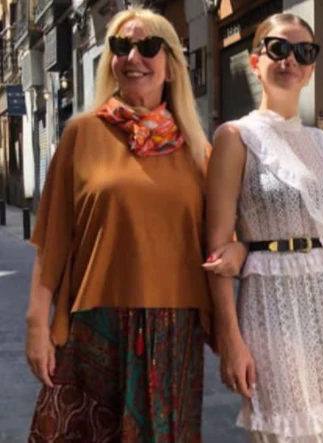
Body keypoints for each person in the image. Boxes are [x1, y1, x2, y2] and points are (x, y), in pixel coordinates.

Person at [25, 8, 246, 443]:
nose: (133, 57)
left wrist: (238, 251)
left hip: (174, 332)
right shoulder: (82, 135)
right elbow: (53, 239)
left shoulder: (196, 150)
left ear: (171, 65)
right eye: (121, 46)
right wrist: (37, 322)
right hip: (96, 326)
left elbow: (220, 241)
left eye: (148, 47)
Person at [206, 13, 323, 443]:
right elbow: (216, 250)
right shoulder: (235, 137)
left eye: (304, 52)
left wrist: (247, 246)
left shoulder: (322, 143)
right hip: (272, 310)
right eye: (278, 48)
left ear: (312, 67)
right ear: (255, 61)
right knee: (288, 431)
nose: (291, 60)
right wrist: (231, 340)